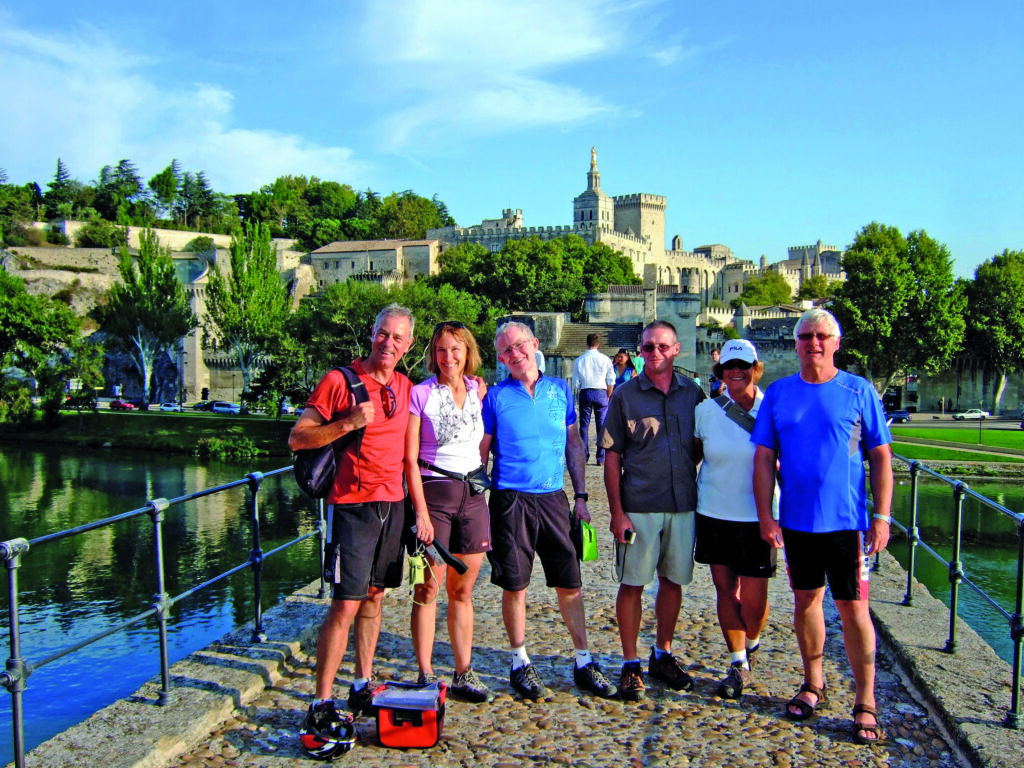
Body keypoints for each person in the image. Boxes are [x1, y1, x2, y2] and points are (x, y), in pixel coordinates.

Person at [752, 307, 893, 745]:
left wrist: (882, 516)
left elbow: (881, 455)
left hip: (847, 524)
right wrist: (765, 515)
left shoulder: (858, 390)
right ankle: (814, 682)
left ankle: (865, 700)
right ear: (795, 344)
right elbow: (762, 458)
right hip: (797, 522)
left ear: (836, 343)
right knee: (806, 602)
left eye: (822, 336)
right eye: (806, 336)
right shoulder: (778, 394)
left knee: (854, 609)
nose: (813, 342)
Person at [291, 304, 415, 751]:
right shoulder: (338, 380)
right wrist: (348, 422)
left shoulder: (404, 386)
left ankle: (361, 682)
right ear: (372, 334)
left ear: (409, 346)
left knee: (375, 597)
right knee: (345, 604)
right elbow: (298, 437)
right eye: (383, 334)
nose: (388, 343)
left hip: (392, 506)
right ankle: (321, 701)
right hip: (351, 508)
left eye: (398, 338)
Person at [480, 321, 617, 700]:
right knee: (515, 585)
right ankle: (519, 661)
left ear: (535, 344)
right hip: (511, 501)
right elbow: (481, 451)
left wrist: (582, 497)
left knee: (569, 581)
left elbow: (574, 445)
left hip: (554, 498)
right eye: (506, 351)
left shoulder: (561, 390)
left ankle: (583, 659)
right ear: (500, 358)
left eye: (519, 345)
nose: (514, 354)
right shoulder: (494, 396)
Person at [599, 320, 705, 701]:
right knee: (632, 585)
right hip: (640, 505)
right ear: (639, 351)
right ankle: (630, 663)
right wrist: (616, 512)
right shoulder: (626, 395)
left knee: (673, 582)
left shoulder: (693, 393)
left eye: (662, 346)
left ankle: (663, 653)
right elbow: (612, 457)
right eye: (647, 347)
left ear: (676, 349)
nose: (654, 353)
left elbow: (707, 442)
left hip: (682, 505)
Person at [404, 321, 494, 703]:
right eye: (441, 350)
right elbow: (408, 458)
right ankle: (425, 673)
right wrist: (420, 514)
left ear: (467, 352)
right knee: (427, 587)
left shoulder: (477, 389)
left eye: (456, 349)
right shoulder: (421, 393)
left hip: (471, 495)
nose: (448, 357)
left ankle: (463, 672)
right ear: (432, 354)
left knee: (463, 590)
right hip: (434, 492)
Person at [693, 338, 776, 700]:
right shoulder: (706, 412)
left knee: (755, 602)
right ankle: (738, 661)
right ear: (720, 372)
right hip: (714, 512)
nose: (736, 372)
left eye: (743, 365)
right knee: (726, 590)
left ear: (755, 368)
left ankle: (751, 643)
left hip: (757, 517)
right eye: (729, 367)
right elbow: (692, 456)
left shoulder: (772, 408)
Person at [572, 333, 615, 466]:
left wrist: (580, 387)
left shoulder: (579, 360)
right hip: (601, 391)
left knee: (584, 426)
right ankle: (600, 457)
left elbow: (575, 382)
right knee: (601, 425)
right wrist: (608, 394)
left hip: (586, 391)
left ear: (587, 343)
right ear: (598, 344)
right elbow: (611, 379)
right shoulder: (605, 359)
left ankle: (584, 455)